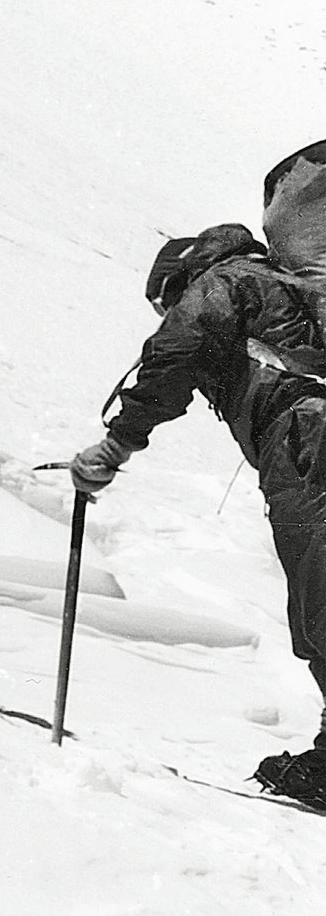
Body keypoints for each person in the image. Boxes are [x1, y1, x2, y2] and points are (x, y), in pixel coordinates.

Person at [70, 223, 326, 805]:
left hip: (308, 442)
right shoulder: (291, 289)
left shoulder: (223, 282)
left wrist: (117, 444)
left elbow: (175, 354)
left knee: (321, 598)